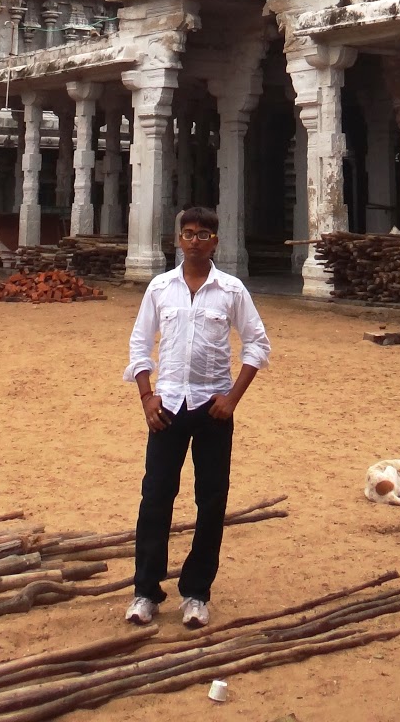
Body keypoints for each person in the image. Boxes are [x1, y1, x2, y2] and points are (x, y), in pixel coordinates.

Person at [123, 204, 271, 630]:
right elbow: (139, 344)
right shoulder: (160, 288)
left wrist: (233, 398)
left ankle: (196, 593)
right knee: (155, 498)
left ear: (215, 241)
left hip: (212, 409)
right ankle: (145, 591)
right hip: (167, 407)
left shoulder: (230, 291)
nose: (194, 240)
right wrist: (146, 397)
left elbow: (257, 344)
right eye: (187, 233)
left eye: (203, 234)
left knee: (210, 501)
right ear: (177, 239)